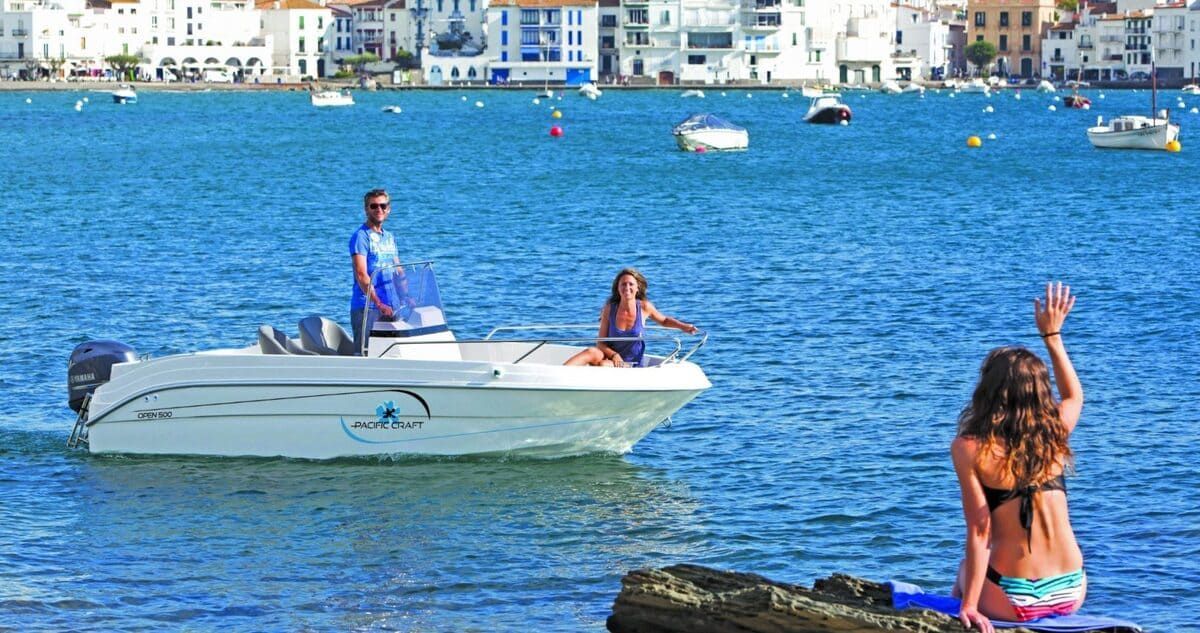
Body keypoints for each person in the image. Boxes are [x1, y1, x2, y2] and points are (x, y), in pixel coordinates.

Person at [950, 282, 1085, 633]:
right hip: (1072, 590)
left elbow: (980, 531)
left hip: (1015, 601)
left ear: (987, 392)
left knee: (964, 570)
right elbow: (1074, 395)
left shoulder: (970, 448)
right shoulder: (1054, 432)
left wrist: (969, 603)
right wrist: (1053, 336)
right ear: (1041, 392)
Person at [564, 268, 698, 368]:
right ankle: (559, 373)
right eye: (623, 284)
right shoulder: (609, 309)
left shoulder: (645, 307)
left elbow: (664, 320)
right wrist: (614, 355)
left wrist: (684, 326)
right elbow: (601, 343)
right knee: (591, 351)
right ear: (617, 288)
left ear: (637, 288)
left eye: (631, 284)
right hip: (610, 356)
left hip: (630, 363)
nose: (627, 287)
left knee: (604, 365)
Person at [349, 188, 409, 356]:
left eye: (383, 206)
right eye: (374, 206)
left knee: (394, 352)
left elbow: (399, 270)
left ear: (388, 209)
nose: (379, 210)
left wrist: (407, 296)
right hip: (368, 307)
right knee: (366, 354)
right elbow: (361, 275)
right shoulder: (361, 237)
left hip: (392, 305)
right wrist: (378, 303)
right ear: (366, 209)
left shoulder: (389, 237)